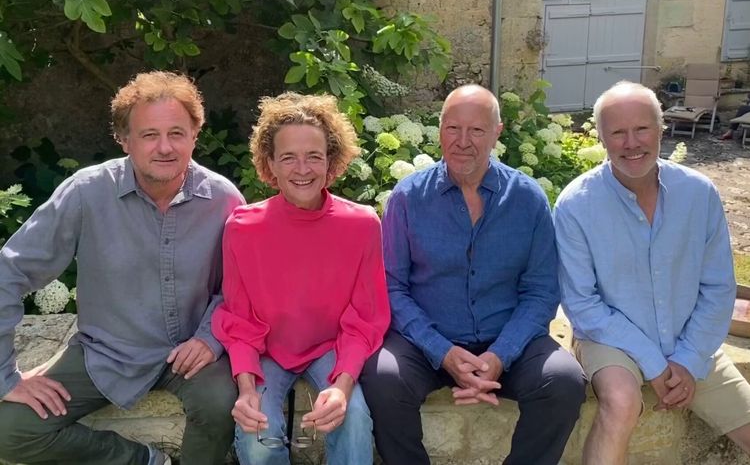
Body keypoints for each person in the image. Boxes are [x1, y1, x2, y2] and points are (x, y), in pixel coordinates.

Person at [0, 71, 245, 465]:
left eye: (177, 133)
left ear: (195, 135)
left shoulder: (223, 199)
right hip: (106, 353)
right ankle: (145, 461)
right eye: (149, 135)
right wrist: (6, 377)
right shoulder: (85, 192)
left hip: (191, 355)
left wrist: (209, 339)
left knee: (220, 404)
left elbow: (239, 288)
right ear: (124, 139)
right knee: (9, 431)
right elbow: (7, 274)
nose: (164, 147)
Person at [359, 84, 586, 465]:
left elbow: (541, 291)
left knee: (563, 381)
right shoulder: (407, 197)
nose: (463, 141)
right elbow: (391, 286)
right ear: (440, 130)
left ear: (497, 133)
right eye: (453, 129)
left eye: (477, 130)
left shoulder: (527, 199)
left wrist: (500, 354)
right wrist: (442, 351)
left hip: (506, 340)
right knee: (383, 379)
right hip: (426, 342)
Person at [555, 80, 750, 465]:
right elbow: (583, 305)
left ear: (660, 130)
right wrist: (656, 364)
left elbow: (718, 289)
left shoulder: (699, 193)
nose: (632, 143)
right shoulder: (575, 205)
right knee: (622, 402)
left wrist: (689, 360)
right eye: (618, 133)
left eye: (641, 129)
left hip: (690, 341)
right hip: (611, 340)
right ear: (602, 138)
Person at [211, 92, 390, 465]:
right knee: (257, 434)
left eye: (314, 156)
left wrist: (342, 387)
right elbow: (239, 319)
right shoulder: (243, 228)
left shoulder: (361, 225)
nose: (302, 169)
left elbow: (365, 319)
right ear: (270, 164)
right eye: (288, 157)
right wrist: (246, 389)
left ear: (331, 161)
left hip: (330, 347)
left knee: (353, 418)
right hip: (267, 351)